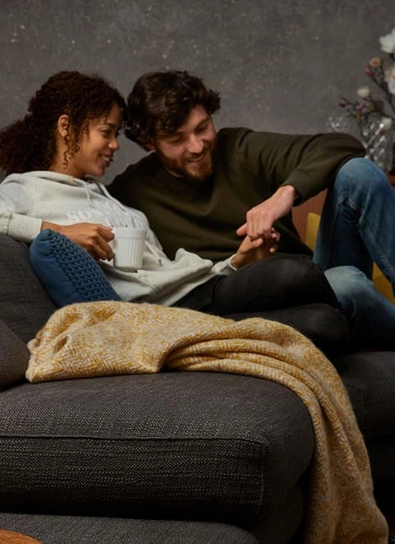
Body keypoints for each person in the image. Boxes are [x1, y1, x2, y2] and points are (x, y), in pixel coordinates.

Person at [0, 70, 348, 348]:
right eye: (106, 132)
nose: (115, 145)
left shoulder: (108, 196)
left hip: (202, 289)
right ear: (66, 128)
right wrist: (52, 229)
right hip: (169, 315)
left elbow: (163, 271)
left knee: (313, 299)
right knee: (310, 296)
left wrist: (238, 262)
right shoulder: (29, 190)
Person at [109, 69, 395, 345]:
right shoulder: (130, 191)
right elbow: (85, 201)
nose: (196, 146)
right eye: (177, 140)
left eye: (202, 128)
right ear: (150, 143)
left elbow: (342, 145)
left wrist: (284, 195)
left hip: (309, 277)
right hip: (256, 302)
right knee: (347, 283)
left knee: (358, 173)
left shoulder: (237, 148)